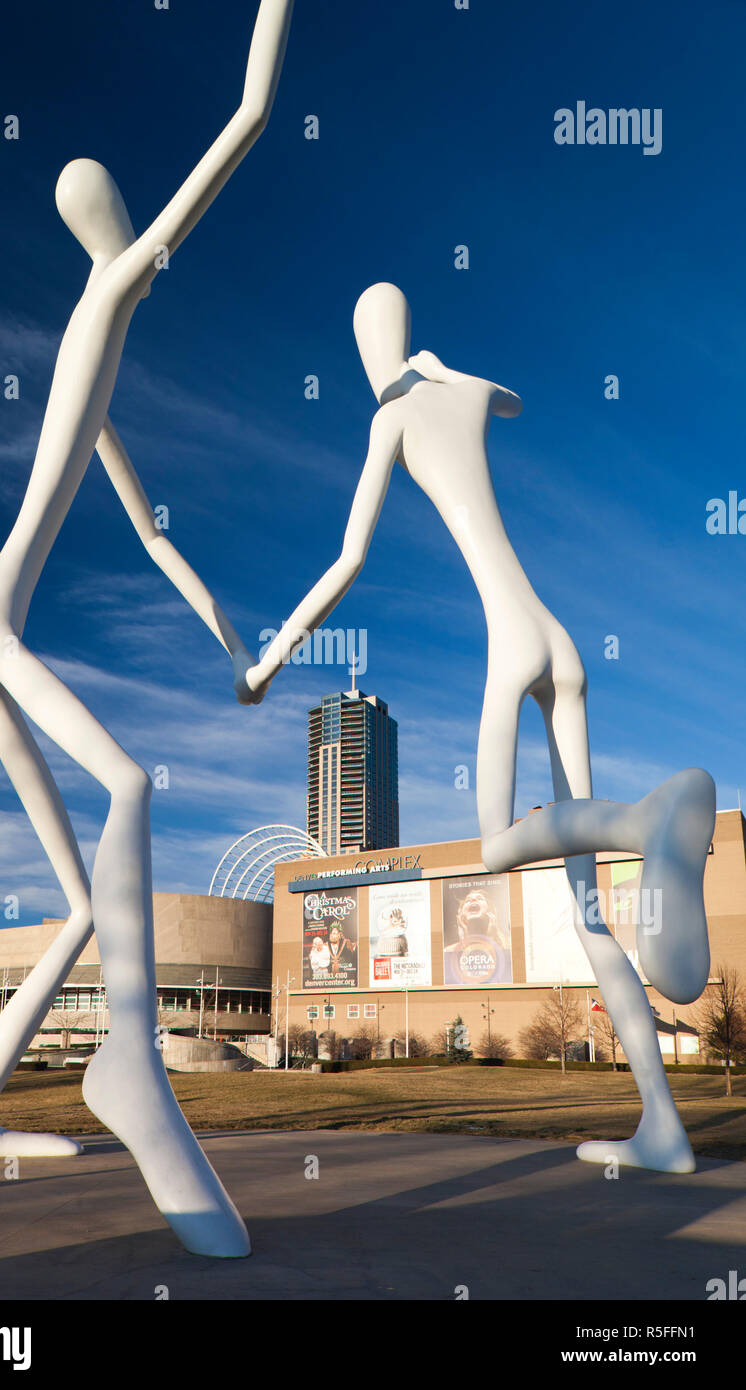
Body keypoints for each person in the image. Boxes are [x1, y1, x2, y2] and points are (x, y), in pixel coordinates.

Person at [0, 0, 295, 1259]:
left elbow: (149, 535)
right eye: (124, 214)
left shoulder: (95, 354)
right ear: (110, 224)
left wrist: (228, 641)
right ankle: (126, 1068)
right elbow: (244, 121)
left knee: (85, 908)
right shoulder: (113, 284)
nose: (136, 232)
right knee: (132, 781)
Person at [236, 281, 715, 1173]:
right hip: (562, 639)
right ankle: (665, 1129)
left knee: (497, 846)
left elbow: (347, 561)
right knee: (587, 916)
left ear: (366, 351)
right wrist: (445, 367)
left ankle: (640, 822)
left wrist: (267, 663)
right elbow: (512, 397)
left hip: (510, 641)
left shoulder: (391, 420)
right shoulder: (462, 391)